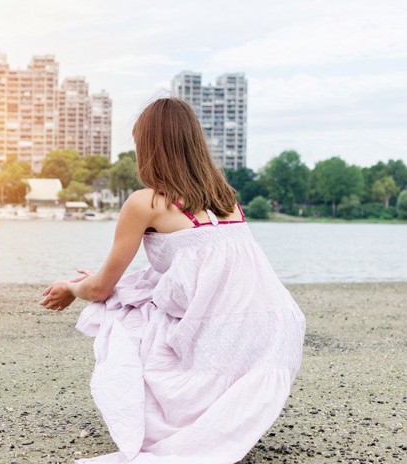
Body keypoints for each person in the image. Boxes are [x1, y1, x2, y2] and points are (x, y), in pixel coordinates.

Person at [40, 97, 306, 464]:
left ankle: (173, 423)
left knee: (120, 315)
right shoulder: (228, 201)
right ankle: (211, 421)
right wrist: (113, 285)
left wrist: (74, 288)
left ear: (149, 148)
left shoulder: (145, 203)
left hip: (225, 336)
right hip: (273, 331)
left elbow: (101, 289)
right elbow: (195, 276)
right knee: (131, 297)